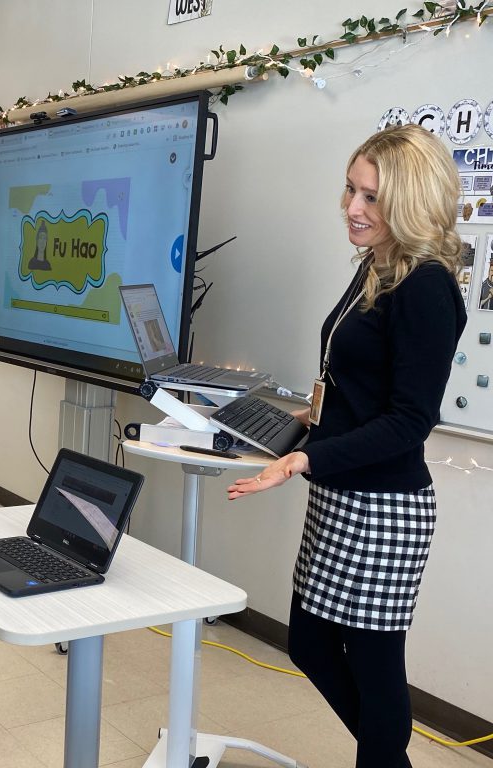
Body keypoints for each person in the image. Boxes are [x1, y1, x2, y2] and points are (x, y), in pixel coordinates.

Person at [227, 124, 467, 767]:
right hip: (341, 494)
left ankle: (384, 761)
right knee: (308, 643)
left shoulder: (426, 288)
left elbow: (410, 419)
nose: (352, 208)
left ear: (410, 205)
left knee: (375, 665)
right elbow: (359, 387)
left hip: (383, 510)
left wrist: (304, 456)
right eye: (351, 189)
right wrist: (305, 419)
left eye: (372, 198)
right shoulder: (378, 267)